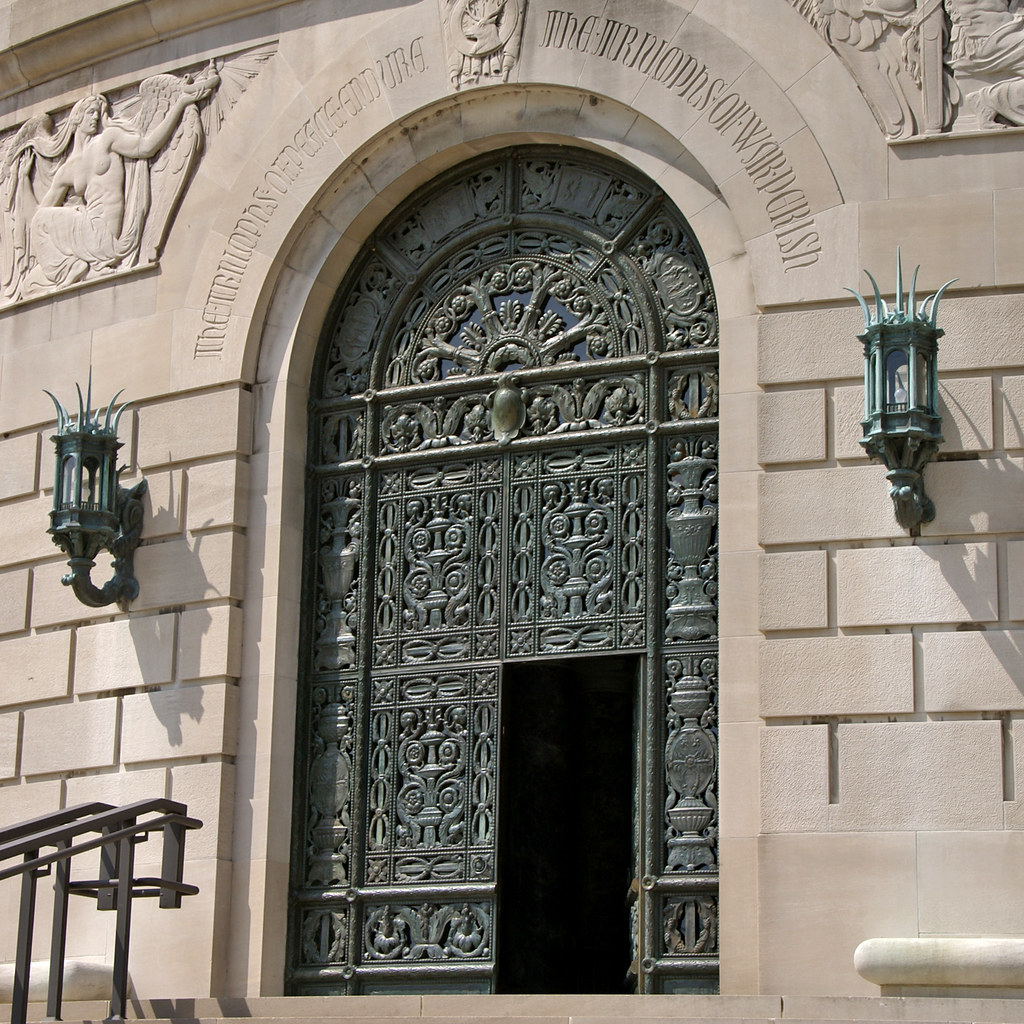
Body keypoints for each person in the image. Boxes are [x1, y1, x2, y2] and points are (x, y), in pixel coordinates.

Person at [1, 66, 218, 298]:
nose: (95, 117)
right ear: (75, 118)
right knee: (30, 282)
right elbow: (37, 214)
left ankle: (69, 269)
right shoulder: (68, 169)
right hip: (87, 233)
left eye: (98, 112)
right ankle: (74, 269)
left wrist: (180, 103)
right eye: (90, 112)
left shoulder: (107, 140)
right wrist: (24, 178)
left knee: (43, 225)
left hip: (104, 231)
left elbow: (146, 147)